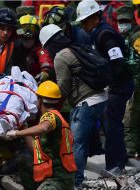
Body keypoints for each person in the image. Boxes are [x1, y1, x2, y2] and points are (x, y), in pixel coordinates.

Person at [39, 24, 108, 187]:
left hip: (87, 102)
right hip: (102, 98)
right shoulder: (76, 47)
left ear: (49, 44)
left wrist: (46, 97)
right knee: (82, 141)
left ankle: (75, 182)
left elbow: (62, 88)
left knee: (76, 143)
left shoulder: (61, 56)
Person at [76, 0, 134, 176]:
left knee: (111, 124)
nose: (83, 25)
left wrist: (106, 82)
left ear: (95, 18)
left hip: (119, 86)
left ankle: (115, 165)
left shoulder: (105, 36)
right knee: (111, 123)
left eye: (85, 21)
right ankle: (120, 160)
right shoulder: (98, 33)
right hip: (116, 85)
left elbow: (116, 62)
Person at [5, 81, 76, 190]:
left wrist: (16, 133)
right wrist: (24, 127)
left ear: (40, 100)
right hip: (62, 177)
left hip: (56, 180)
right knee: (24, 161)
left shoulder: (51, 116)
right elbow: (36, 149)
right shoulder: (58, 120)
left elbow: (44, 127)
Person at [116, 6, 140, 158]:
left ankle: (130, 149)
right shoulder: (126, 36)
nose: (122, 24)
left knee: (131, 115)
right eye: (120, 21)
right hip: (130, 80)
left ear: (132, 20)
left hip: (136, 81)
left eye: (125, 21)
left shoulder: (137, 37)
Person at [10, 14, 53, 82]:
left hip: (36, 80)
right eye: (24, 29)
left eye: (31, 29)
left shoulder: (40, 47)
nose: (28, 33)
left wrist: (45, 71)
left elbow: (44, 56)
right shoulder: (13, 45)